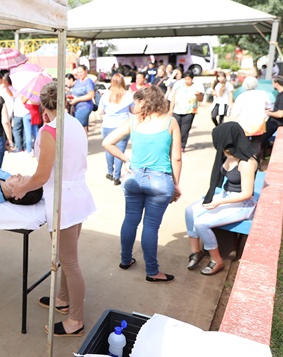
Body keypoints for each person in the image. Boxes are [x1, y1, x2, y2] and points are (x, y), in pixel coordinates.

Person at [11, 82, 96, 337]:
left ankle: (76, 320)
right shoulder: (74, 123)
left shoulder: (50, 130)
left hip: (64, 200)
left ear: (43, 106)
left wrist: (21, 188)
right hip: (75, 193)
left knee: (69, 262)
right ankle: (61, 299)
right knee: (65, 258)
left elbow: (41, 176)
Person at [103, 86, 182, 283]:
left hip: (134, 177)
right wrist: (176, 185)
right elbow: (177, 158)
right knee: (151, 226)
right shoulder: (171, 122)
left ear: (145, 102)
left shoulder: (133, 122)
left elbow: (107, 142)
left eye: (137, 101)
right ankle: (153, 272)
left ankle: (125, 260)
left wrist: (125, 159)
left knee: (130, 219)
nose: (134, 105)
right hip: (160, 180)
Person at [186, 122, 257, 275]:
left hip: (241, 203)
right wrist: (216, 198)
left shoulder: (246, 163)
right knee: (189, 210)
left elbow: (247, 193)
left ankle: (216, 260)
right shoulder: (229, 155)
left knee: (201, 223)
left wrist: (218, 202)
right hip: (225, 196)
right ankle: (196, 251)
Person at [99, 73, 135, 185]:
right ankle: (116, 176)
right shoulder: (128, 96)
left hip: (108, 125)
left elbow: (100, 112)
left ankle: (110, 171)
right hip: (122, 125)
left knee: (109, 149)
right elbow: (133, 111)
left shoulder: (105, 95)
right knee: (120, 151)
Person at [256, 76, 283, 157]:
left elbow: (280, 114)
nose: (272, 85)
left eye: (273, 83)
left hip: (276, 122)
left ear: (277, 84)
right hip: (275, 121)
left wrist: (268, 112)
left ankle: (256, 159)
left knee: (259, 141)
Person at [169, 71, 204, 151]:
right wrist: (171, 109)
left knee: (185, 129)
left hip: (190, 111)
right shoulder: (179, 85)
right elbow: (173, 98)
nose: (187, 81)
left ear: (192, 79)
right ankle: (174, 144)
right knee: (176, 128)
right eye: (186, 79)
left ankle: (182, 145)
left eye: (189, 79)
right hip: (177, 110)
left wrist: (198, 94)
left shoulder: (196, 87)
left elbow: (200, 99)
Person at [67, 65, 95, 133]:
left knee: (79, 127)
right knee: (83, 127)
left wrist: (77, 99)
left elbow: (91, 95)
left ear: (85, 71)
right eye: (78, 72)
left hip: (84, 107)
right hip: (76, 106)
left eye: (81, 72)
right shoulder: (78, 81)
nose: (79, 74)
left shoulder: (88, 82)